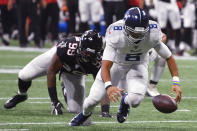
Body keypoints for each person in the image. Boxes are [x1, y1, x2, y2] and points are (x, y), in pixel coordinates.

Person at [69, 7, 182, 126]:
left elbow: (169, 57)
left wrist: (176, 82)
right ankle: (84, 114)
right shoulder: (115, 33)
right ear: (125, 28)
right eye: (134, 33)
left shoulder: (153, 32)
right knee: (92, 100)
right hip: (116, 64)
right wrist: (108, 86)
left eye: (141, 33)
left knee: (135, 100)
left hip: (139, 63)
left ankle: (125, 101)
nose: (137, 36)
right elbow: (106, 65)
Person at [4, 30, 111, 117]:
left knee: (76, 110)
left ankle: (65, 88)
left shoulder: (99, 60)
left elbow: (101, 83)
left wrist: (105, 110)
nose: (87, 56)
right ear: (80, 46)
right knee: (24, 75)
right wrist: (54, 102)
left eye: (91, 54)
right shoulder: (67, 47)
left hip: (74, 72)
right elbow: (51, 71)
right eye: (85, 52)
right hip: (59, 59)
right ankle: (22, 95)